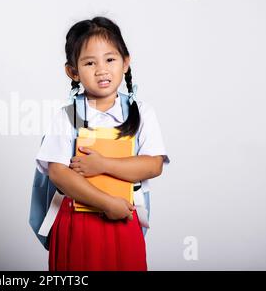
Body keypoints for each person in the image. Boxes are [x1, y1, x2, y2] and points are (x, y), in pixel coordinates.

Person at [35, 16, 170, 271]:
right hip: (78, 222)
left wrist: (102, 164)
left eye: (110, 59)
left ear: (126, 62)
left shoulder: (141, 112)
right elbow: (58, 172)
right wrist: (106, 203)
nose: (101, 70)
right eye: (89, 62)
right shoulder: (69, 115)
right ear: (72, 71)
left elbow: (153, 165)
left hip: (124, 215)